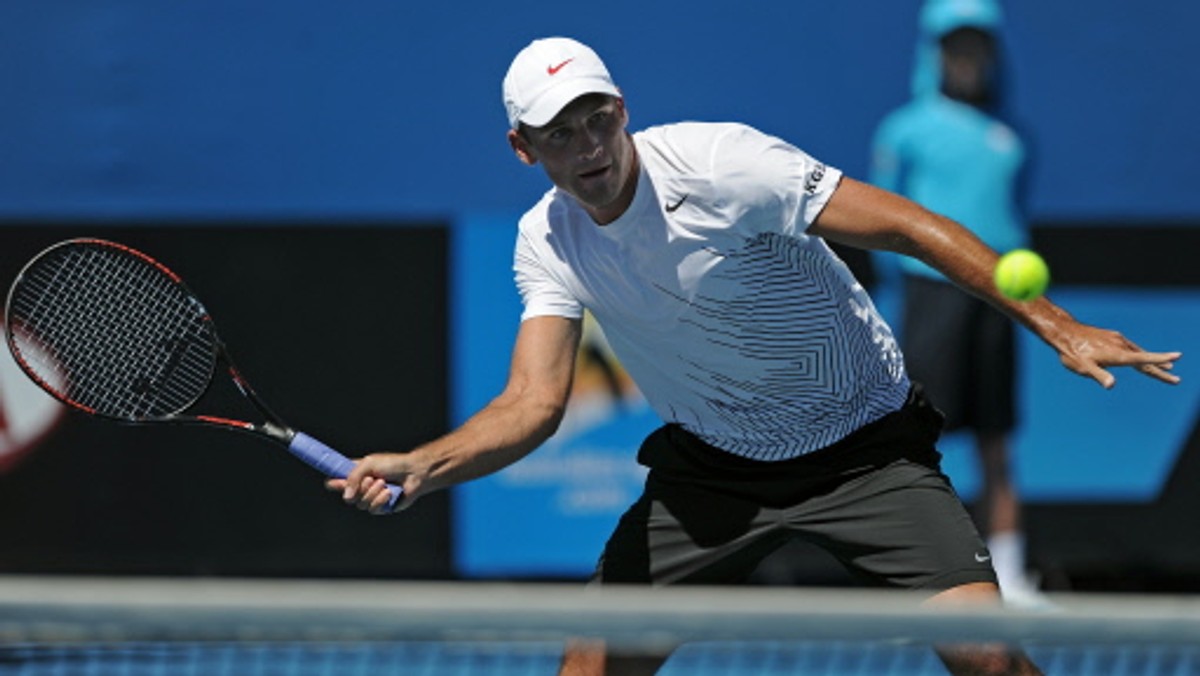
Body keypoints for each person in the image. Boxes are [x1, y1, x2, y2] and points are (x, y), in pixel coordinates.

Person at [329, 36, 1181, 675]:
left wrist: (1053, 321)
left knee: (985, 656)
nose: (588, 146)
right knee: (590, 666)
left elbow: (907, 226)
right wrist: (425, 465)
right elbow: (533, 402)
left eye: (598, 119)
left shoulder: (725, 165)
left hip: (865, 452)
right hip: (714, 477)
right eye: (559, 133)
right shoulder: (546, 244)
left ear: (622, 110)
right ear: (524, 148)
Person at [871, 0, 1040, 606]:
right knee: (920, 442)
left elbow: (1013, 210)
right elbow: (886, 222)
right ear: (934, 52)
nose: (967, 59)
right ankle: (918, 581)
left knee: (997, 439)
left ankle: (1013, 580)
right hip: (931, 296)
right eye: (954, 46)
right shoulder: (903, 130)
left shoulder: (1011, 137)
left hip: (998, 301)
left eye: (977, 47)